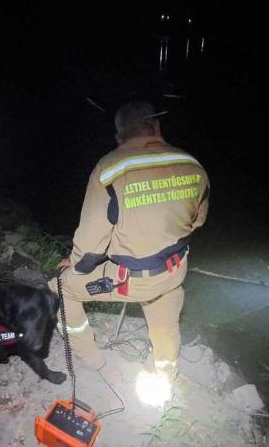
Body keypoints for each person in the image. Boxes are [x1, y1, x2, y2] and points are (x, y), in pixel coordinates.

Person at [49, 101, 209, 382]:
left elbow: (90, 248)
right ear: (156, 127)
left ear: (119, 137)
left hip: (129, 280)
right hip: (173, 272)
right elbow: (197, 220)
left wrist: (71, 267)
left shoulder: (110, 169)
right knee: (165, 322)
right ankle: (164, 374)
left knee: (61, 287)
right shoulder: (193, 166)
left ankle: (91, 358)